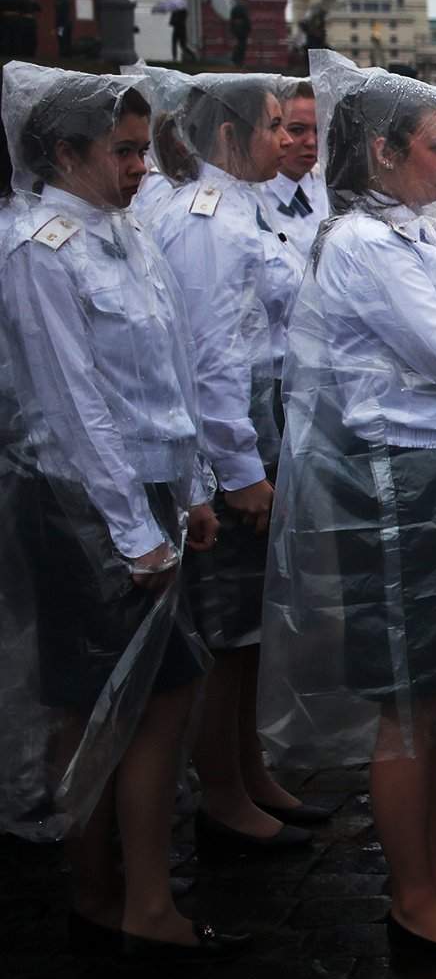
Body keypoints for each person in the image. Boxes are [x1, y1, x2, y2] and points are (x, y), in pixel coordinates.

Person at [256, 53, 436, 956]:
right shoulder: (366, 246)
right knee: (409, 699)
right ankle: (413, 897)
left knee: (434, 689)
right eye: (433, 148)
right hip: (399, 484)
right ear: (381, 152)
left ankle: (434, 878)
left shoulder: (414, 235)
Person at [0, 64, 242, 961]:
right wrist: (137, 531)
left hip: (140, 489)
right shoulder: (41, 247)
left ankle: (104, 894)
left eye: (144, 148)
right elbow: (72, 402)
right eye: (124, 150)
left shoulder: (120, 230)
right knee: (145, 691)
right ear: (63, 152)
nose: (143, 165)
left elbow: (162, 373)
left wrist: (188, 489)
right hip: (85, 500)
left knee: (107, 697)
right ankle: (136, 899)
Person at [141, 71, 327, 857]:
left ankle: (249, 770)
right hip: (234, 428)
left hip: (262, 409)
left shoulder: (238, 207)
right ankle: (222, 790)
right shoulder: (210, 219)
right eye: (272, 125)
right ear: (228, 136)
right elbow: (213, 359)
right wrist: (239, 471)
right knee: (228, 628)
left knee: (254, 625)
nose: (284, 138)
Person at [264, 79, 329, 257]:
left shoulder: (333, 194)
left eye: (318, 130)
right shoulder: (253, 197)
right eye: (297, 130)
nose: (311, 142)